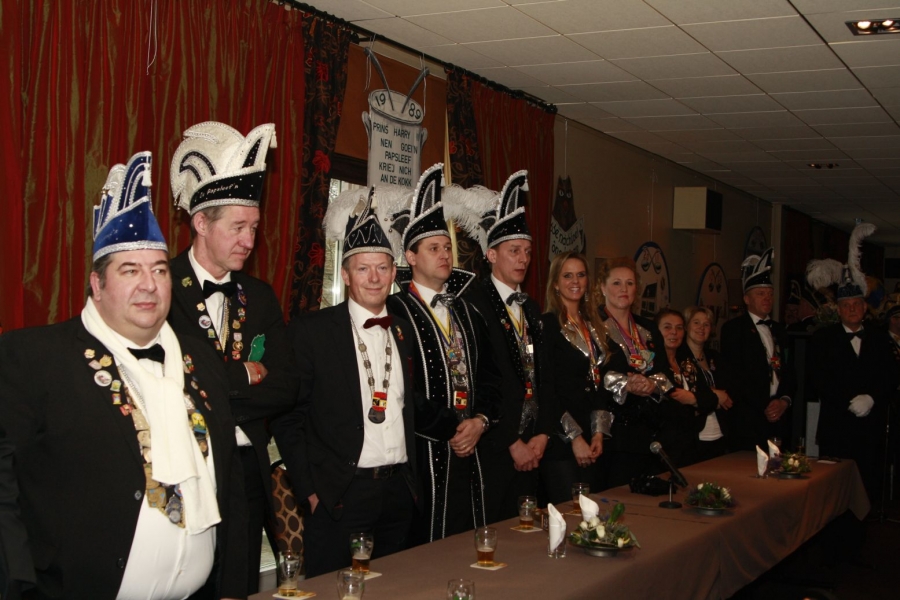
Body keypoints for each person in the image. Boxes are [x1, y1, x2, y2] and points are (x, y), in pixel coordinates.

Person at [0, 152, 246, 599]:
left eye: (158, 270)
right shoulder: (35, 358)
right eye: (129, 270)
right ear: (97, 285)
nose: (148, 284)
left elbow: (227, 480)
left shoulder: (200, 360)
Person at [168, 121, 297, 594]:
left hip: (246, 472)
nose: (249, 240)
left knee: (237, 585)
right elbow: (168, 385)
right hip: (185, 469)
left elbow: (285, 386)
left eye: (254, 228)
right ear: (201, 223)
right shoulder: (161, 288)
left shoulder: (259, 297)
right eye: (238, 227)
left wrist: (216, 388)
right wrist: (243, 376)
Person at [271, 188, 419, 577]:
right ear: (346, 274)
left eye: (382, 268)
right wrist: (310, 491)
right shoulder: (312, 331)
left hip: (398, 494)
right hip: (340, 497)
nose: (374, 278)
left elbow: (412, 407)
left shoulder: (404, 331)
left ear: (394, 273)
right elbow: (288, 417)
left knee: (397, 590)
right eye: (363, 268)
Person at [385, 165, 501, 543]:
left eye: (447, 247)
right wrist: (450, 428)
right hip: (423, 451)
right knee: (427, 550)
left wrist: (480, 421)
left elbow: (491, 377)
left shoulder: (468, 311)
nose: (444, 254)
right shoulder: (395, 311)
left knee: (470, 542)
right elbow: (400, 389)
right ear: (411, 256)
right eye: (434, 248)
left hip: (472, 448)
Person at [455, 171, 555, 523]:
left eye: (527, 252)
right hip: (496, 447)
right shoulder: (473, 304)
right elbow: (479, 380)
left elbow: (545, 377)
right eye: (514, 251)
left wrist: (542, 434)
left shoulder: (532, 308)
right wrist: (511, 441)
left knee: (527, 534)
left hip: (534, 446)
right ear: (491, 255)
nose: (523, 259)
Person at [807, 224, 898, 500]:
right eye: (846, 306)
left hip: (871, 428)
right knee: (834, 491)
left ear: (864, 307)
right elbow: (818, 379)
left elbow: (891, 376)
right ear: (838, 309)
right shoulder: (823, 339)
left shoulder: (880, 339)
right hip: (837, 426)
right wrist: (848, 400)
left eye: (857, 304)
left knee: (868, 489)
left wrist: (871, 398)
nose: (852, 309)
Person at [539, 252, 614, 501]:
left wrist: (599, 432)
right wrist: (575, 437)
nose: (575, 281)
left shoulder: (594, 325)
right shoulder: (547, 325)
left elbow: (600, 382)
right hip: (561, 439)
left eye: (580, 275)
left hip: (592, 437)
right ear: (555, 283)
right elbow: (547, 389)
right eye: (567, 276)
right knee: (568, 515)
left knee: (595, 514)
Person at [595, 257, 668, 488]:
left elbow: (666, 373)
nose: (624, 289)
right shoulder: (592, 326)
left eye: (630, 283)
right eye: (616, 283)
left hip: (648, 427)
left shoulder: (648, 328)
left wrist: (652, 384)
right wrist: (625, 383)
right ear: (602, 287)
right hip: (612, 430)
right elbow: (590, 375)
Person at [720, 248, 795, 451]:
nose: (767, 298)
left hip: (779, 417)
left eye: (770, 294)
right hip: (748, 419)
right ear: (746, 299)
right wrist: (765, 405)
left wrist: (783, 401)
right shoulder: (734, 329)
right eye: (761, 294)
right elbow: (734, 376)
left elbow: (789, 371)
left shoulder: (780, 330)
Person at [655, 308, 719, 468]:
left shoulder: (686, 362)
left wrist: (693, 399)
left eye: (679, 328)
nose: (674, 332)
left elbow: (711, 399)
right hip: (663, 448)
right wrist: (696, 403)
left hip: (690, 444)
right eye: (667, 327)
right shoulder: (653, 364)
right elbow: (670, 404)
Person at [682, 306, 733, 462]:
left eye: (706, 324)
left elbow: (728, 390)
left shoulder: (715, 357)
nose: (701, 328)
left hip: (719, 432)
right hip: (692, 436)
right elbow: (686, 393)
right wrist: (713, 394)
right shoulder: (679, 357)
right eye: (696, 322)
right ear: (686, 326)